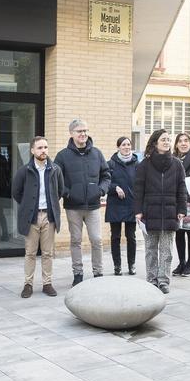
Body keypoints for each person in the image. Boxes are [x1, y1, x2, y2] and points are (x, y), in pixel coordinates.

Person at [54, 118, 111, 286]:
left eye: (85, 131)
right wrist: (68, 194)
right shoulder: (62, 156)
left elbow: (106, 175)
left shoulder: (97, 153)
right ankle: (78, 273)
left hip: (93, 206)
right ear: (71, 133)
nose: (83, 134)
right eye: (79, 131)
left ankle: (98, 272)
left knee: (96, 239)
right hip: (73, 207)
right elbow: (57, 180)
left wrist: (100, 190)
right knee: (76, 241)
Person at [134, 129, 187, 293]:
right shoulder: (144, 164)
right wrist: (138, 211)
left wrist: (182, 209)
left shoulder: (177, 164)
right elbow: (138, 189)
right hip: (149, 212)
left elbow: (182, 188)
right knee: (150, 249)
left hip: (170, 212)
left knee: (167, 250)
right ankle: (152, 279)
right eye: (163, 139)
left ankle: (163, 281)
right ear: (155, 142)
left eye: (168, 139)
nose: (167, 142)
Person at [12, 136, 64, 298]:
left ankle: (47, 284)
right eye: (40, 148)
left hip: (49, 216)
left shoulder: (55, 169)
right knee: (30, 253)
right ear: (33, 150)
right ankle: (28, 284)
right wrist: (29, 206)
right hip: (32, 217)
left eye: (45, 147)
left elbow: (60, 191)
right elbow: (16, 192)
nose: (43, 151)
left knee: (48, 253)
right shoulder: (24, 171)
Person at [105, 136, 139, 276]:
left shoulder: (137, 164)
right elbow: (105, 181)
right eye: (123, 145)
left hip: (132, 204)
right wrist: (115, 188)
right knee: (116, 237)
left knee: (131, 237)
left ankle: (132, 265)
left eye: (128, 144)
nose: (126, 147)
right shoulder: (110, 164)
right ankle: (117, 266)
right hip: (115, 204)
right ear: (118, 147)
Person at [173, 132, 190, 277]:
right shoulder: (173, 159)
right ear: (176, 144)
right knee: (179, 233)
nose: (183, 143)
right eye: (180, 141)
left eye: (186, 141)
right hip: (176, 201)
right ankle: (181, 262)